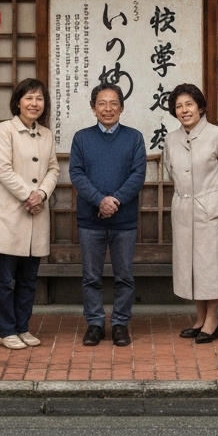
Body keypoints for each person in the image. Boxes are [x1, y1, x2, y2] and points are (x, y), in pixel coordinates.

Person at [69, 82, 146, 347]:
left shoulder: (134, 137)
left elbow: (138, 175)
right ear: (93, 108)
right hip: (90, 220)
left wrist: (115, 201)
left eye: (114, 103)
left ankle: (121, 324)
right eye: (102, 103)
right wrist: (100, 200)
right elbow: (76, 174)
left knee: (124, 275)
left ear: (122, 108)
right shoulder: (81, 138)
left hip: (124, 221)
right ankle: (95, 323)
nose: (108, 108)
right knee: (91, 276)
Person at [163, 83, 218, 343]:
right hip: (184, 209)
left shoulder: (217, 135)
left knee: (212, 265)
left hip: (211, 209)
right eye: (179, 106)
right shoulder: (171, 139)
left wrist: (214, 195)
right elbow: (169, 170)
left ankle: (212, 319)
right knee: (191, 266)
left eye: (189, 104)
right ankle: (199, 317)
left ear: (200, 107)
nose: (184, 110)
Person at [0, 78, 59, 350]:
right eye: (28, 98)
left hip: (36, 212)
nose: (34, 103)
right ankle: (5, 330)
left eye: (39, 98)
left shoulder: (47, 134)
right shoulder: (5, 130)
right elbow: (2, 170)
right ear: (18, 102)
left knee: (29, 280)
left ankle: (22, 327)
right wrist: (29, 193)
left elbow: (53, 169)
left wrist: (42, 194)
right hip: (11, 215)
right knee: (5, 279)